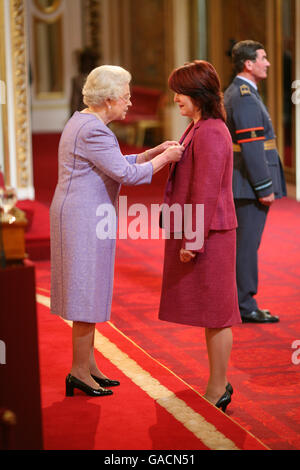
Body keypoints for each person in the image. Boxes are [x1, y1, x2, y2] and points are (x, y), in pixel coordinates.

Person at [50, 65, 184, 397]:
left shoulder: (86, 122)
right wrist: (165, 158)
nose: (129, 102)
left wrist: (150, 153)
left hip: (85, 214)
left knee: (91, 289)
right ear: (109, 99)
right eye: (125, 96)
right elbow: (128, 175)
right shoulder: (92, 130)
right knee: (85, 293)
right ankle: (79, 371)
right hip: (82, 217)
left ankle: (88, 365)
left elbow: (116, 163)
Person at [158, 60, 241, 412]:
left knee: (218, 313)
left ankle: (219, 387)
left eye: (181, 92)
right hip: (202, 229)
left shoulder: (210, 130)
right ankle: (217, 383)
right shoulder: (198, 126)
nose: (175, 98)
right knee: (210, 311)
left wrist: (193, 241)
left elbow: (205, 191)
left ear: (199, 95)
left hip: (212, 233)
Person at [224, 40, 286, 324]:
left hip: (244, 183)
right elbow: (251, 146)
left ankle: (240, 300)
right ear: (248, 64)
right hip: (249, 185)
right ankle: (245, 304)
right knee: (247, 246)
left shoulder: (241, 92)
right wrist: (264, 186)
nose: (268, 63)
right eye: (263, 58)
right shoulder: (245, 95)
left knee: (244, 245)